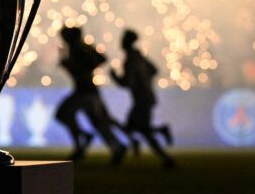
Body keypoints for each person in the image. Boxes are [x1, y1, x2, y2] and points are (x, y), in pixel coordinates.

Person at [55, 26, 126, 163]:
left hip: (85, 91)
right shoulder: (80, 48)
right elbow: (101, 58)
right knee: (97, 122)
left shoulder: (79, 49)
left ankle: (84, 142)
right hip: (86, 91)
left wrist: (76, 67)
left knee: (64, 114)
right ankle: (115, 146)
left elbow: (96, 61)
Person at [110, 29, 175, 168]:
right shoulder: (139, 56)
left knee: (138, 130)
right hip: (145, 98)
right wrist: (145, 80)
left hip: (142, 100)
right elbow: (154, 70)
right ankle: (163, 154)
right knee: (135, 128)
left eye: (123, 39)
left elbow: (127, 83)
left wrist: (114, 76)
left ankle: (163, 147)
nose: (120, 42)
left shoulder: (130, 60)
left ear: (127, 42)